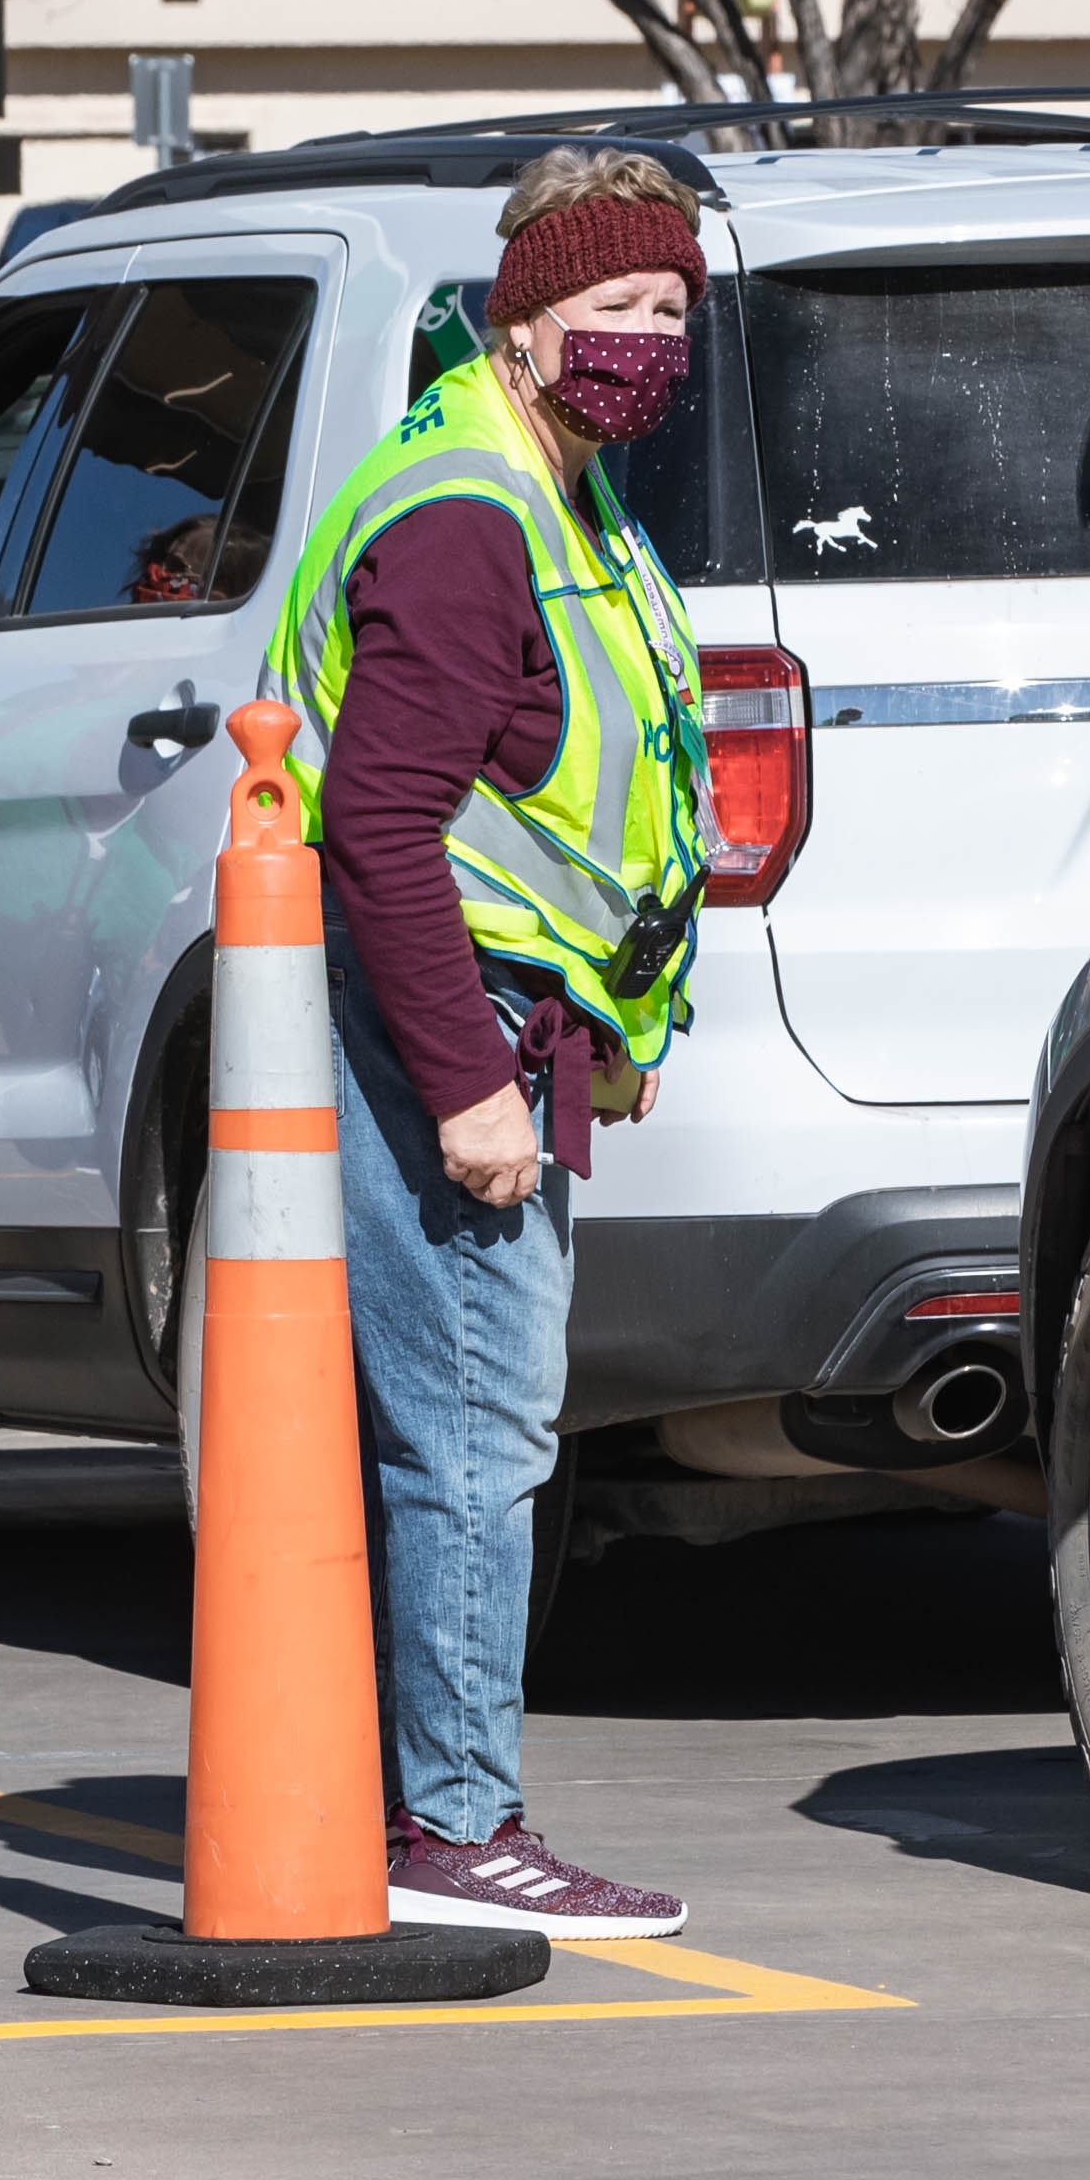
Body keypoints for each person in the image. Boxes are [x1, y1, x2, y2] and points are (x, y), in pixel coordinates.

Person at [271, 146, 719, 1934]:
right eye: (609, 308)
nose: (643, 343)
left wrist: (604, 1025)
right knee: (469, 1427)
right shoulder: (470, 512)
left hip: (518, 1012)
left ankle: (444, 1805)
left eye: (671, 311)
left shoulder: (561, 485)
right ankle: (452, 1827)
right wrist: (467, 1075)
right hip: (447, 1014)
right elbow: (379, 823)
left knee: (480, 1420)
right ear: (522, 319)